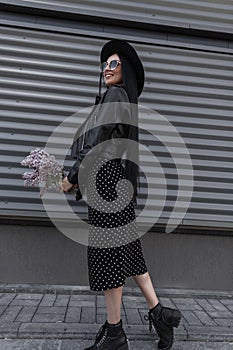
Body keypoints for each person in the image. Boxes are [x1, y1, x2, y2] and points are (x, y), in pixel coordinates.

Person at [62, 39, 181, 350]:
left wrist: (73, 177)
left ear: (124, 69)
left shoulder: (115, 95)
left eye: (114, 64)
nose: (107, 68)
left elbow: (98, 140)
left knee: (110, 257)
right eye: (104, 64)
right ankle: (161, 315)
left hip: (107, 185)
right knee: (131, 257)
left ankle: (115, 334)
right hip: (118, 186)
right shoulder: (122, 98)